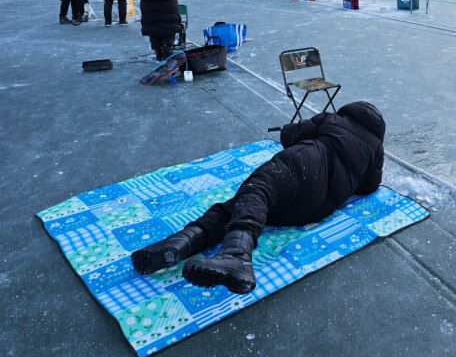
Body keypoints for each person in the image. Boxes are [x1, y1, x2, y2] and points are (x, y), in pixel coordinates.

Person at [131, 101, 385, 295]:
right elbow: (369, 187)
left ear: (350, 111)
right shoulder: (375, 148)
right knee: (249, 206)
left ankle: (237, 255)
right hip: (314, 208)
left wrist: (292, 129)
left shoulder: (332, 119)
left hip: (304, 165)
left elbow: (290, 137)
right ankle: (181, 243)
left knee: (257, 190)